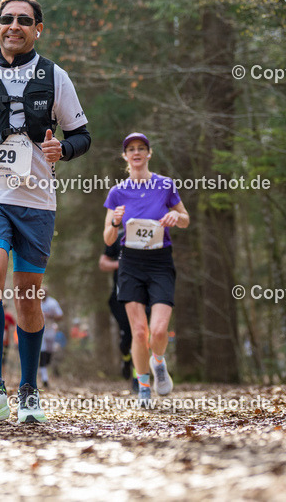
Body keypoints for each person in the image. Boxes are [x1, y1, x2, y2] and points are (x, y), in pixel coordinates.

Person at [0, 0, 91, 424]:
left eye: (24, 20)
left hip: (35, 201)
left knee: (28, 296)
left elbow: (81, 136)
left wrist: (61, 151)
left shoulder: (56, 78)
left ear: (37, 29)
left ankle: (29, 390)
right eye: (7, 18)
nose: (14, 26)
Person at [103, 132, 190, 408]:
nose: (137, 152)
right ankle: (143, 387)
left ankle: (159, 363)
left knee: (160, 330)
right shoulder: (117, 192)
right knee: (139, 332)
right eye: (131, 149)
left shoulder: (165, 185)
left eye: (142, 148)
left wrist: (176, 215)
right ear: (125, 156)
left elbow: (186, 219)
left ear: (149, 154)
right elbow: (107, 238)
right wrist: (115, 223)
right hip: (130, 262)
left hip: (160, 261)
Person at [98, 239, 139, 392]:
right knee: (127, 338)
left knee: (140, 335)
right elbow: (103, 263)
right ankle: (126, 359)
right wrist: (122, 264)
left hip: (143, 296)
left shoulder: (151, 229)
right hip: (120, 298)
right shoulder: (118, 237)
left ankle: (137, 378)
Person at [38, 291, 63, 388]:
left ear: (47, 294)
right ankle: (45, 379)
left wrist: (51, 316)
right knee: (42, 353)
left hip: (50, 330)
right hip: (40, 330)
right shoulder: (36, 302)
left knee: (48, 354)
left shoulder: (52, 303)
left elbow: (60, 316)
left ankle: (44, 368)